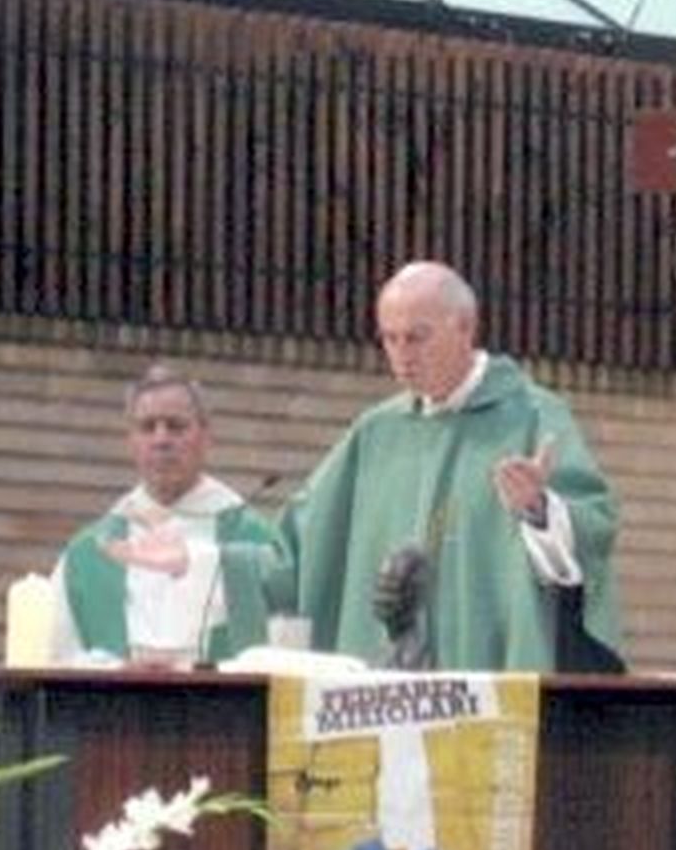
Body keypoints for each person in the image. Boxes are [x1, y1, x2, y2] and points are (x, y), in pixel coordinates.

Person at [236, 259, 624, 672]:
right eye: (390, 339)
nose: (403, 356)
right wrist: (214, 562)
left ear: (465, 328)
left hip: (487, 682)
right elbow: (299, 546)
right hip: (383, 700)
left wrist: (540, 510)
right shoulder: (374, 433)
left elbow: (594, 528)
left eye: (418, 338)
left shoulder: (532, 416)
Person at [49, 365, 277, 666]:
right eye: (147, 427)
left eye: (175, 426)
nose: (161, 439)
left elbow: (288, 652)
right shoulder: (89, 554)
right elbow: (55, 660)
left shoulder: (255, 545)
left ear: (207, 437)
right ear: (130, 442)